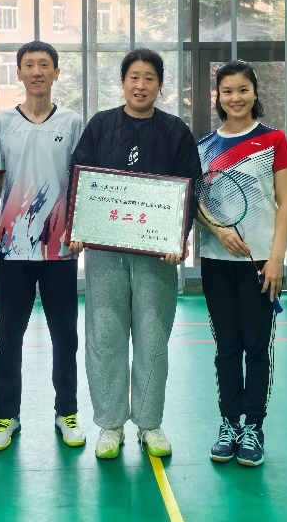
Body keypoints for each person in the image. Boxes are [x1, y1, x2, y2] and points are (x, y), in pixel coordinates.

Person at [67, 48, 200, 460]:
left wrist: (178, 238)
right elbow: (79, 181)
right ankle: (110, 425)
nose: (140, 85)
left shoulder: (176, 131)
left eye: (149, 78)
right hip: (105, 252)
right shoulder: (100, 125)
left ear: (160, 85)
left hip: (156, 256)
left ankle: (149, 422)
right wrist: (78, 227)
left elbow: (190, 190)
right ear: (123, 82)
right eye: (134, 77)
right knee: (104, 336)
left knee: (153, 336)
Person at [0, 41, 86, 452]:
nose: (37, 71)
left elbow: (81, 178)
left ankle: (67, 413)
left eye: (45, 65)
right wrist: (21, 212)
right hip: (12, 250)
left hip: (59, 249)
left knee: (65, 336)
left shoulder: (74, 122)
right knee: (9, 336)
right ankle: (6, 415)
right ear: (19, 73)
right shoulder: (2, 122)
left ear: (57, 72)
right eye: (29, 65)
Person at [196, 60, 287, 467]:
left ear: (254, 92)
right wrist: (218, 231)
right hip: (215, 261)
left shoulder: (273, 140)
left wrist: (276, 258)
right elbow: (196, 203)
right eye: (227, 91)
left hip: (260, 264)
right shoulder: (203, 147)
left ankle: (253, 427)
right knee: (226, 348)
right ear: (217, 97)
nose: (235, 98)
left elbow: (286, 203)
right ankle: (229, 424)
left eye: (243, 90)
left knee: (256, 347)